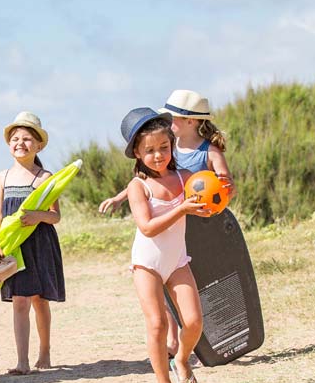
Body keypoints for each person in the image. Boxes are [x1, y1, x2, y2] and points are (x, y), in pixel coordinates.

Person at [100, 90, 234, 357]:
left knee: (196, 285)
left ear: (191, 121)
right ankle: (173, 341)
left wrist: (220, 193)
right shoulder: (168, 149)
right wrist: (119, 197)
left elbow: (223, 183)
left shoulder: (205, 150)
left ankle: (203, 340)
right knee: (162, 294)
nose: (169, 122)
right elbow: (147, 181)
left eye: (174, 117)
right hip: (172, 223)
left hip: (197, 221)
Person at [119, 108, 209, 383]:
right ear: (136, 153)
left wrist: (221, 193)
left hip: (177, 260)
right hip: (148, 263)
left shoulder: (185, 177)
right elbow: (146, 227)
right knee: (157, 324)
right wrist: (181, 209)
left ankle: (181, 360)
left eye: (164, 147)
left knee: (194, 322)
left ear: (171, 145)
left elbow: (209, 196)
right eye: (149, 150)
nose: (158, 155)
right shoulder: (138, 186)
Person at [0, 112, 65, 375]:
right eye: (16, 138)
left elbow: (56, 216)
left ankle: (45, 352)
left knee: (40, 300)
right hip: (13, 246)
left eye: (28, 139)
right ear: (9, 144)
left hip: (40, 244)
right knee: (20, 300)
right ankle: (22, 361)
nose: (21, 143)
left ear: (39, 145)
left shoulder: (46, 177)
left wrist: (37, 217)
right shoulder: (3, 177)